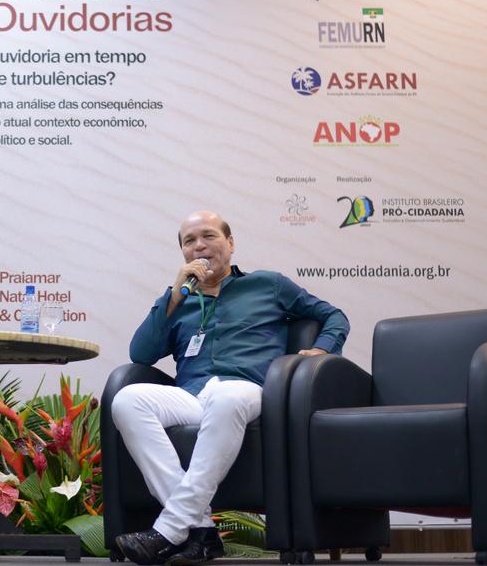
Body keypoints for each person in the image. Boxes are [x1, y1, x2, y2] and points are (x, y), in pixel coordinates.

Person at [111, 211, 349, 566]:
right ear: (183, 253)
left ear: (231, 243)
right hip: (193, 395)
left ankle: (171, 528)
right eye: (189, 241)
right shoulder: (179, 300)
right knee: (127, 400)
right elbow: (141, 353)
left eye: (208, 236)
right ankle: (200, 530)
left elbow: (334, 316)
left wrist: (321, 349)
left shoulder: (268, 285)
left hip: (249, 389)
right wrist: (174, 295)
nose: (199, 246)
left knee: (226, 397)